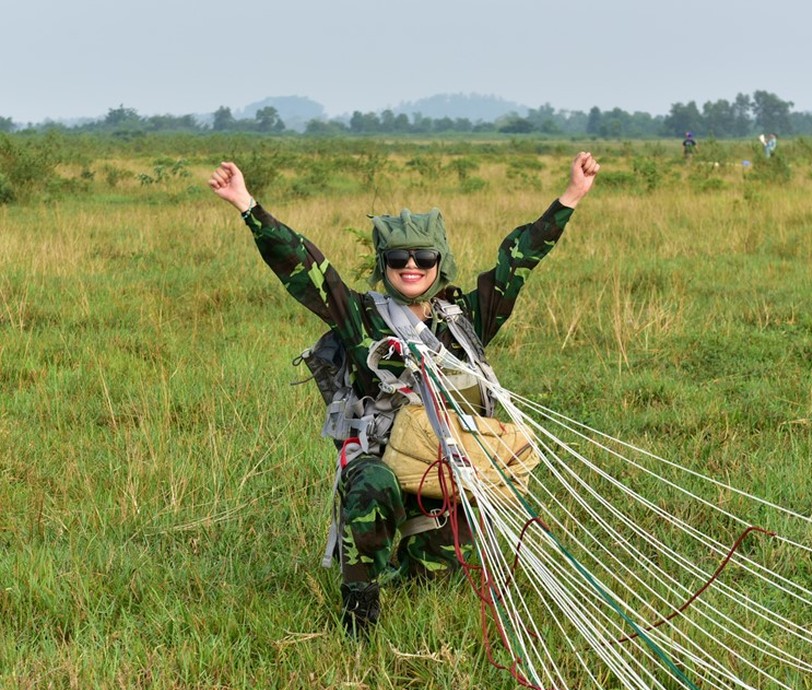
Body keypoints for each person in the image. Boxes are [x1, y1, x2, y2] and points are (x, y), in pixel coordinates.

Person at [208, 152, 599, 634]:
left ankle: (415, 554)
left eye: (423, 257)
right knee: (373, 485)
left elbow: (517, 260)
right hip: (380, 464)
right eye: (398, 258)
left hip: (446, 464)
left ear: (440, 262)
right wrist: (248, 205)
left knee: (438, 577)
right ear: (384, 265)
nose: (411, 266)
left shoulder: (464, 321)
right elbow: (305, 266)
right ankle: (360, 605)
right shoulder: (361, 317)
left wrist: (571, 197)